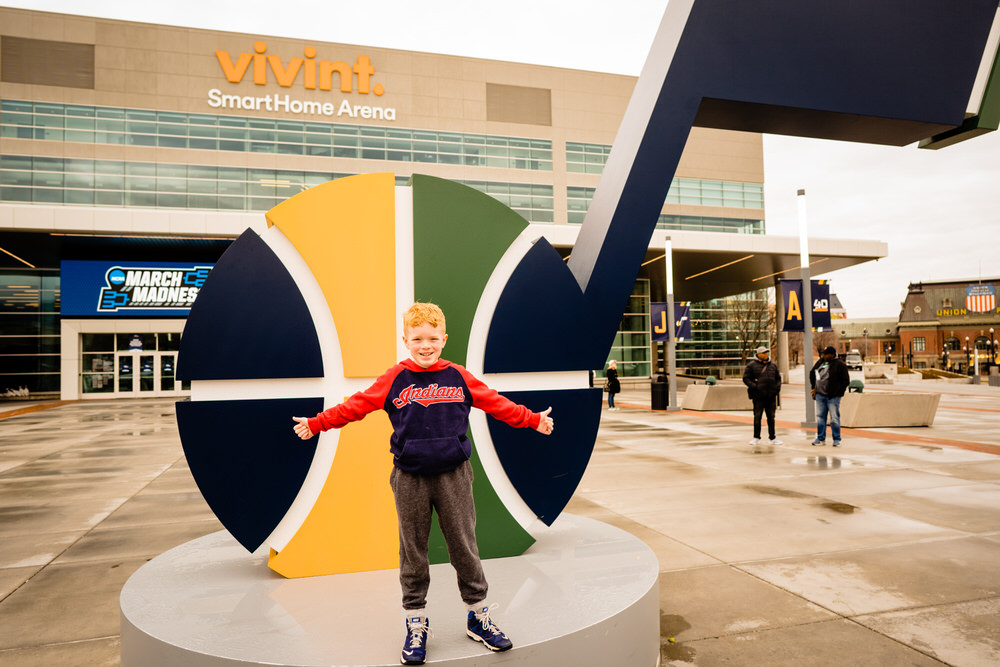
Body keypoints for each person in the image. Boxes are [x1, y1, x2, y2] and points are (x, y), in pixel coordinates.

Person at [292, 302, 554, 665]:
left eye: (432, 338)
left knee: (464, 545)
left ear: (444, 339)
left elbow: (497, 405)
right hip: (409, 478)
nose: (425, 345)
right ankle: (415, 622)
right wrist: (319, 422)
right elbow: (356, 405)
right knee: (413, 551)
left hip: (454, 476)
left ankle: (478, 615)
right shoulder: (394, 379)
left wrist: (532, 420)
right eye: (417, 338)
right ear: (405, 340)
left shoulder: (459, 377)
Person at [809, 345, 850, 447]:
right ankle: (820, 438)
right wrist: (814, 387)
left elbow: (845, 381)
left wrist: (839, 392)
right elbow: (812, 373)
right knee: (820, 418)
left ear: (832, 355)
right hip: (820, 395)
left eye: (826, 354)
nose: (824, 355)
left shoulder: (839, 365)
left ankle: (836, 439)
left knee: (834, 418)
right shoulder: (820, 362)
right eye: (823, 354)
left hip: (833, 396)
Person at [742, 345, 782, 445]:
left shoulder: (773, 365)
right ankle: (756, 437)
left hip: (771, 396)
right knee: (757, 417)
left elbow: (778, 378)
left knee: (771, 418)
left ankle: (772, 438)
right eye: (764, 353)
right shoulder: (751, 365)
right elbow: (746, 378)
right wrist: (755, 387)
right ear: (758, 354)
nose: (766, 354)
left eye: (766, 352)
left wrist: (776, 389)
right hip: (758, 396)